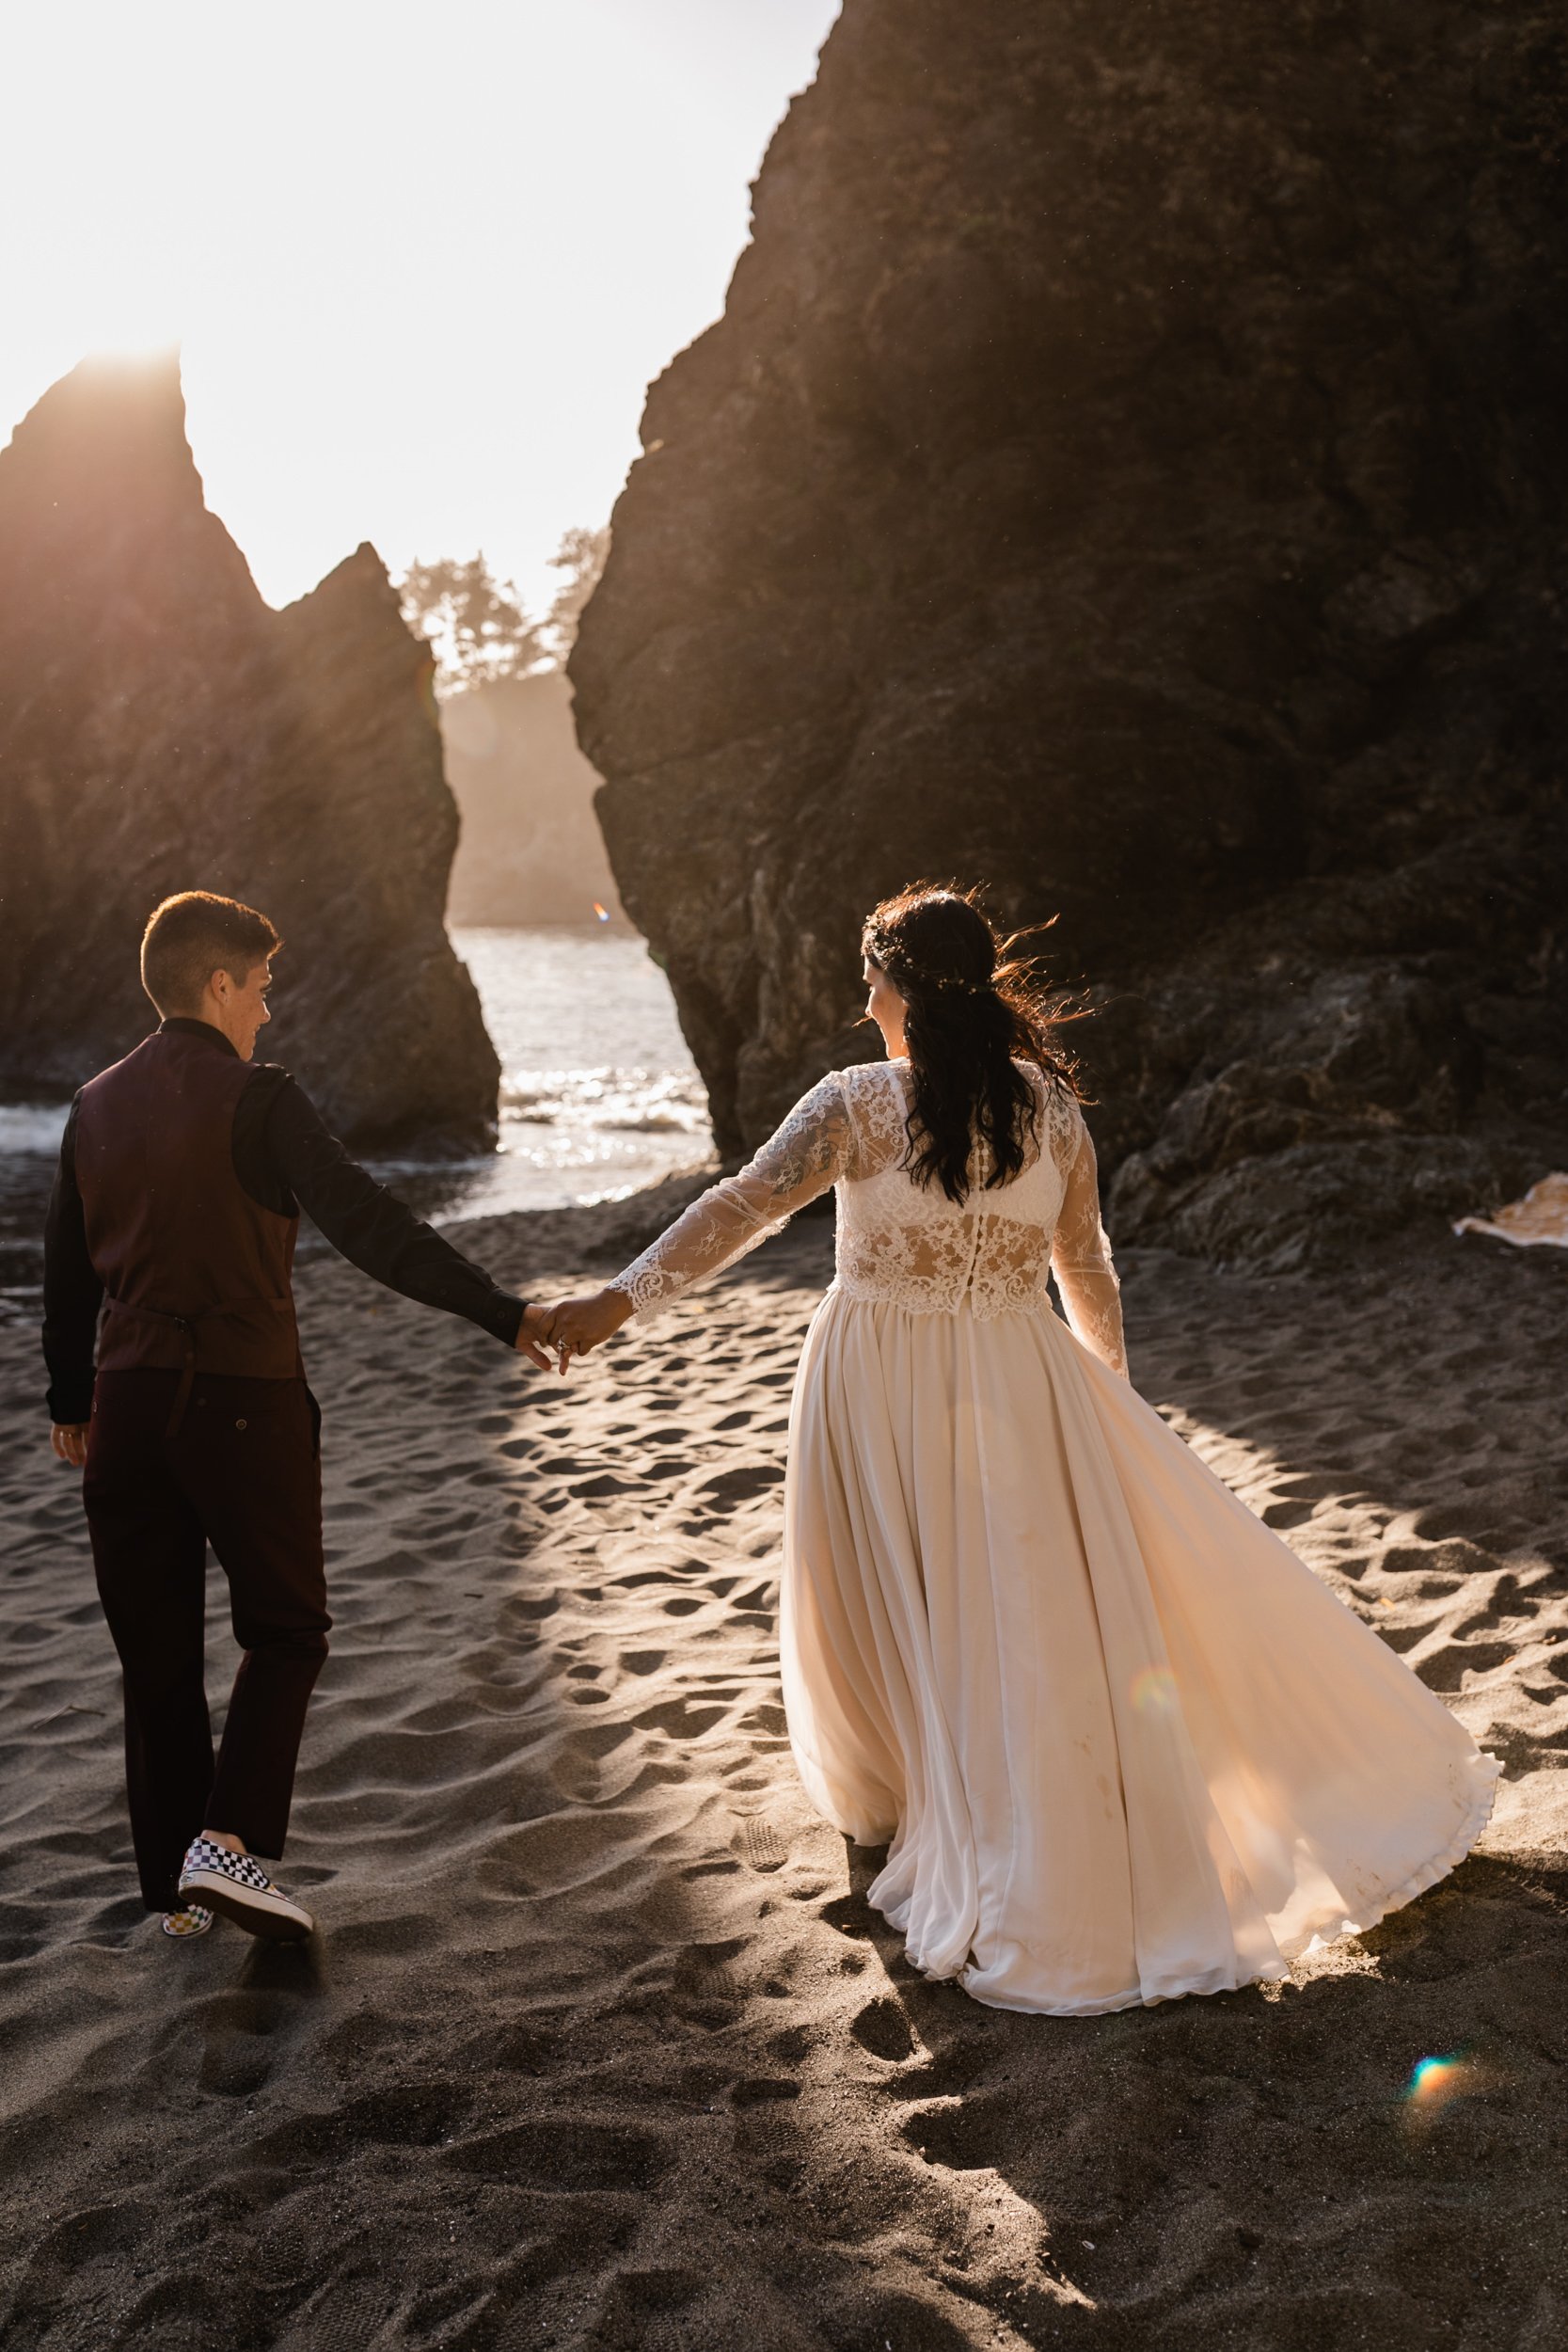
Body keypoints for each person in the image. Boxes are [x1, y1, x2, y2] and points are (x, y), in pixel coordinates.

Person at [537, 883, 1497, 2015]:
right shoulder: (1049, 1107)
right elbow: (1083, 1265)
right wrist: (1107, 1392)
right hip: (1018, 1381)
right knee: (1006, 1604)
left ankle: (922, 1800)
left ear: (898, 985)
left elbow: (740, 1209)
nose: (862, 995)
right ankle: (978, 1799)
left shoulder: (853, 1103)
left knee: (900, 1591)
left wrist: (615, 1301)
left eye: (870, 974)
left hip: (878, 1376)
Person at [43, 891, 551, 1944]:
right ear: (218, 983)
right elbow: (368, 1223)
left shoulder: (91, 1104)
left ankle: (178, 1897)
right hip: (239, 1402)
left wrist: (68, 1399)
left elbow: (65, 1266)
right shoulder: (259, 1098)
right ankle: (223, 1848)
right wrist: (502, 1315)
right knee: (286, 1630)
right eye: (260, 987)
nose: (266, 1012)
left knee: (158, 1662)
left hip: (126, 1406)